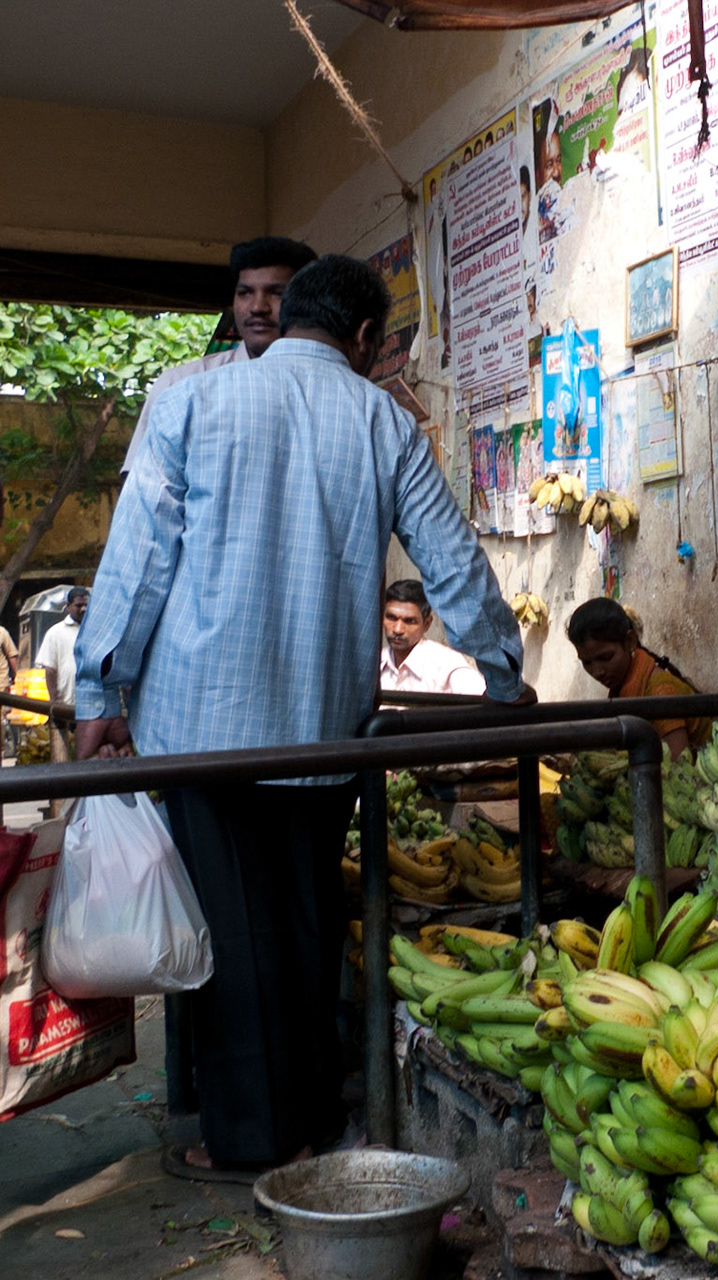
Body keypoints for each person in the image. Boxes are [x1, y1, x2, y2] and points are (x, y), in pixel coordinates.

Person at [73, 255, 530, 1180]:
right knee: (308, 929)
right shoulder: (383, 421)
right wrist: (503, 670)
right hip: (324, 730)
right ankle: (312, 1120)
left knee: (233, 944)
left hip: (202, 734)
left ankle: (251, 1142)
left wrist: (100, 691)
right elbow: (450, 558)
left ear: (290, 317)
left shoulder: (192, 402)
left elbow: (138, 558)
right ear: (364, 339)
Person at [126, 237, 318, 471]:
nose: (257, 307)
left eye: (276, 293)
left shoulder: (328, 393)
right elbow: (139, 493)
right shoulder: (179, 386)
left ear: (306, 302)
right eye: (245, 292)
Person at [566, 597, 708, 758]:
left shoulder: (659, 691)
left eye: (606, 658)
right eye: (587, 662)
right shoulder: (622, 687)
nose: (597, 671)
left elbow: (679, 764)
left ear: (630, 641)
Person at [380, 579, 487, 697]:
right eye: (391, 618)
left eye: (409, 621)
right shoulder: (373, 663)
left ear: (426, 624)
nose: (397, 629)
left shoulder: (446, 664)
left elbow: (483, 705)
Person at [34, 586, 86, 705]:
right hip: (66, 703)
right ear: (68, 607)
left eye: (86, 605)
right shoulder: (56, 632)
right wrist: (54, 701)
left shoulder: (96, 631)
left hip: (93, 705)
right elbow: (50, 669)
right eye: (78, 605)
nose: (83, 609)